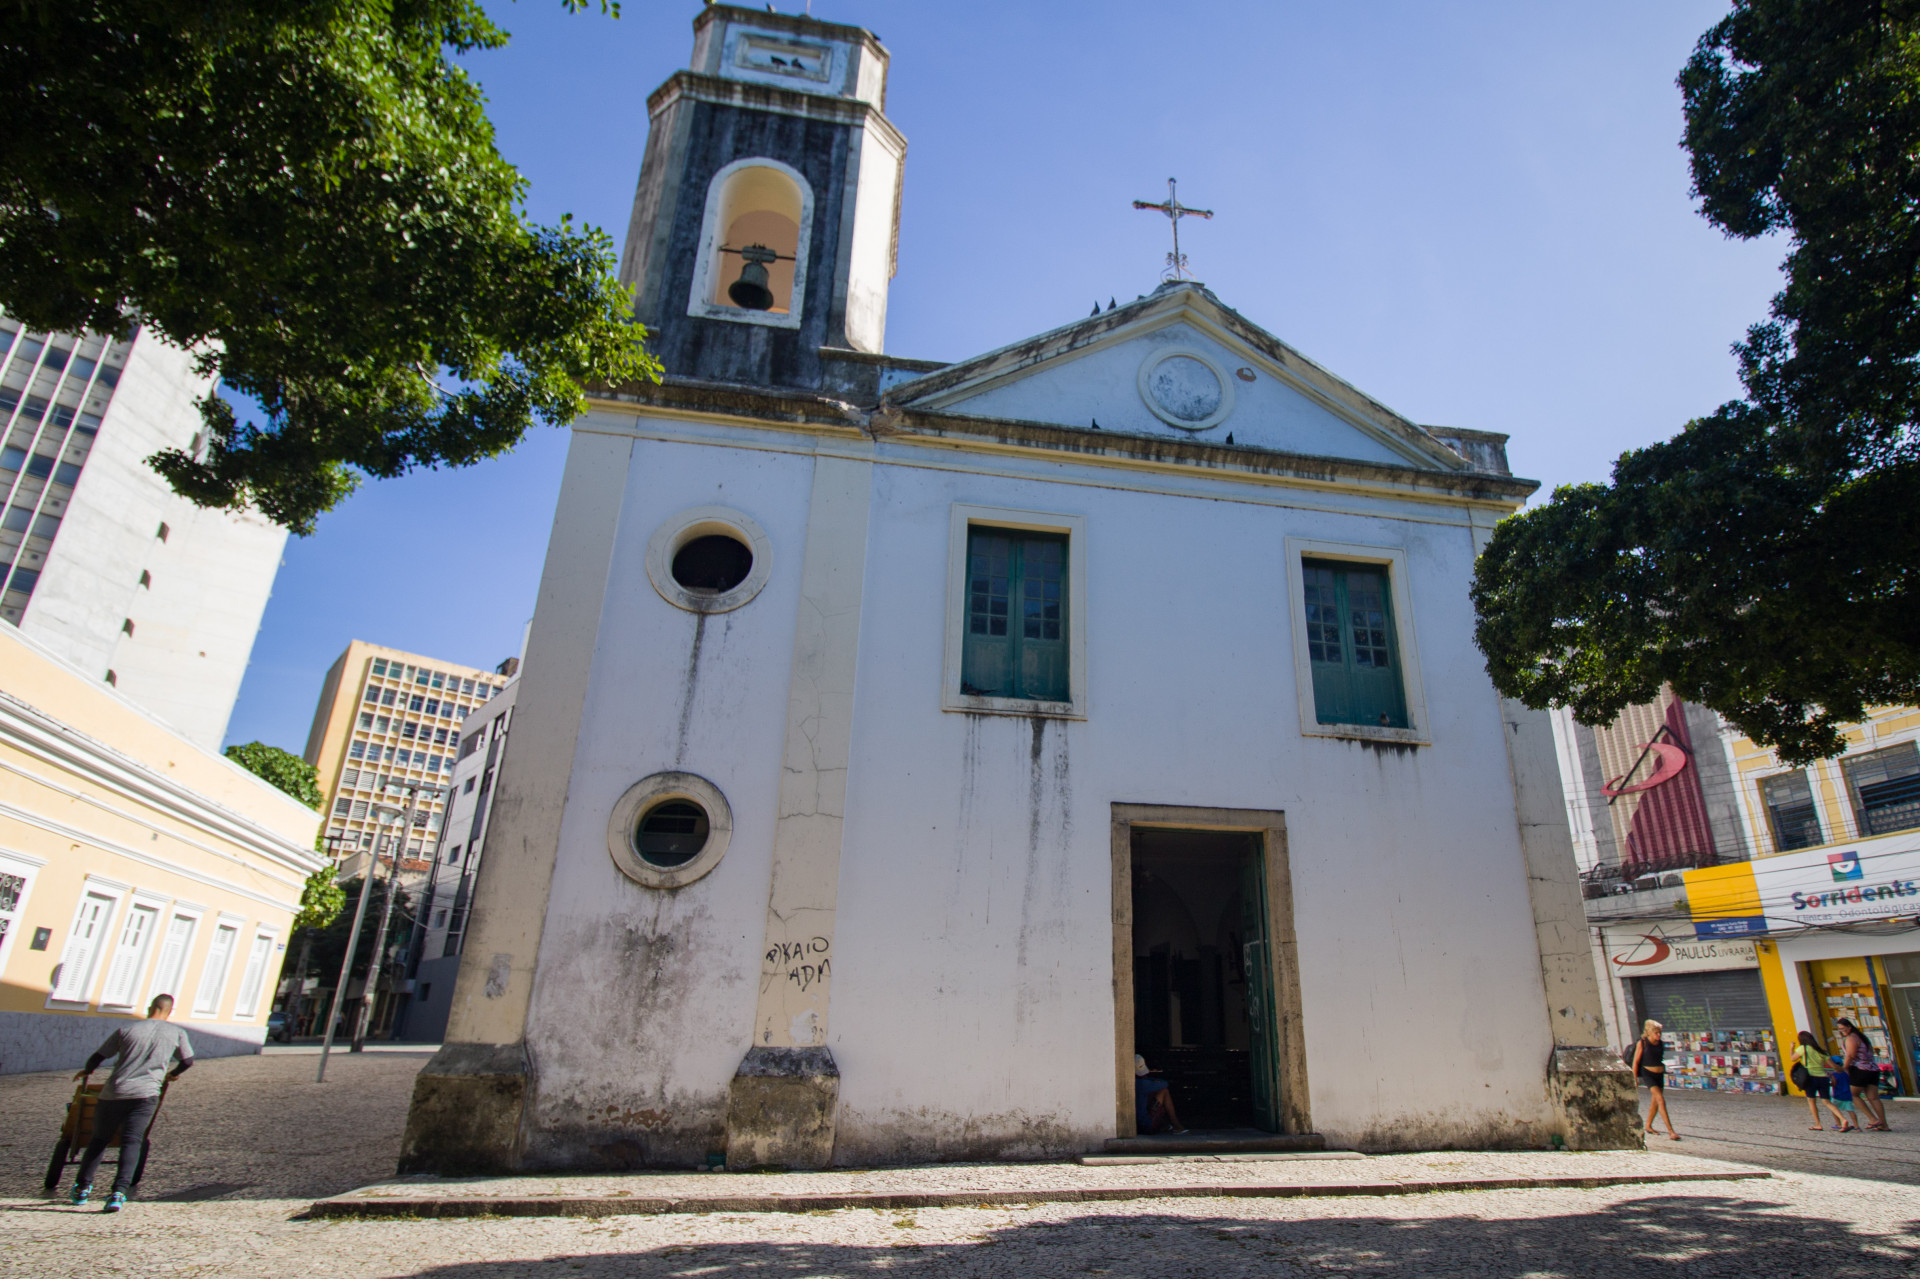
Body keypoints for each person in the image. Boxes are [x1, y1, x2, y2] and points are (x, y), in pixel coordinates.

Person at [69, 993, 193, 1212]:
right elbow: (188, 1061)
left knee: (99, 1139)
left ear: (150, 1008)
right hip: (146, 1094)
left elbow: (97, 1057)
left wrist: (87, 1071)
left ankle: (82, 1188)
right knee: (132, 1141)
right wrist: (172, 1074)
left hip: (114, 1093)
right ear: (169, 1011)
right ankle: (118, 1192)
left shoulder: (127, 1031)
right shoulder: (177, 1033)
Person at [1835, 1018, 1890, 1131]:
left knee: (1853, 1095)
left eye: (1842, 1028)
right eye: (1839, 1029)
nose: (1841, 1031)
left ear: (1849, 1027)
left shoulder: (1851, 1038)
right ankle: (1884, 1124)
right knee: (1873, 1098)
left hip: (1860, 1070)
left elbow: (1850, 1055)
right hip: (1873, 1069)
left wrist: (1843, 1068)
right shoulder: (1862, 1037)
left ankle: (1873, 1119)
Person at [1631, 1019, 1680, 1141]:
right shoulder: (1643, 1043)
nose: (1658, 1036)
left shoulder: (1660, 1043)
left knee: (1655, 1102)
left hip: (1659, 1074)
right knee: (1660, 1100)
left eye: (1659, 1033)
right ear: (1649, 1033)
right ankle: (1671, 1131)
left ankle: (1648, 1125)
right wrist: (1634, 1078)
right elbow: (1636, 1062)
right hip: (1648, 1074)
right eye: (1656, 1033)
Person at [1792, 1031, 1849, 1131]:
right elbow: (1834, 1067)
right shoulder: (1821, 1051)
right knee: (1827, 1101)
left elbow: (1792, 1059)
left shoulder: (1803, 1049)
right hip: (1823, 1078)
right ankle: (1843, 1119)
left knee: (1811, 1101)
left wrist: (1791, 1048)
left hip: (1810, 1078)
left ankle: (1818, 1124)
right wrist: (1843, 1069)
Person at [1134, 1054, 1186, 1135]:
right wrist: (1152, 1080)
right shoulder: (1142, 1084)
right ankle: (1176, 1124)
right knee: (1164, 1091)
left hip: (1137, 1125)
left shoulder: (1135, 1082)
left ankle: (1166, 1125)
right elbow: (1164, 1084)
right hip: (1145, 1125)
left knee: (1151, 1094)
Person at [1828, 1055, 1859, 1131]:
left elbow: (1833, 1084)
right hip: (1847, 1095)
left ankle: (1838, 1124)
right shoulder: (1846, 1074)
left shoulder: (1833, 1075)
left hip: (1838, 1095)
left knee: (1834, 1109)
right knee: (1851, 1110)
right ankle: (1856, 1126)